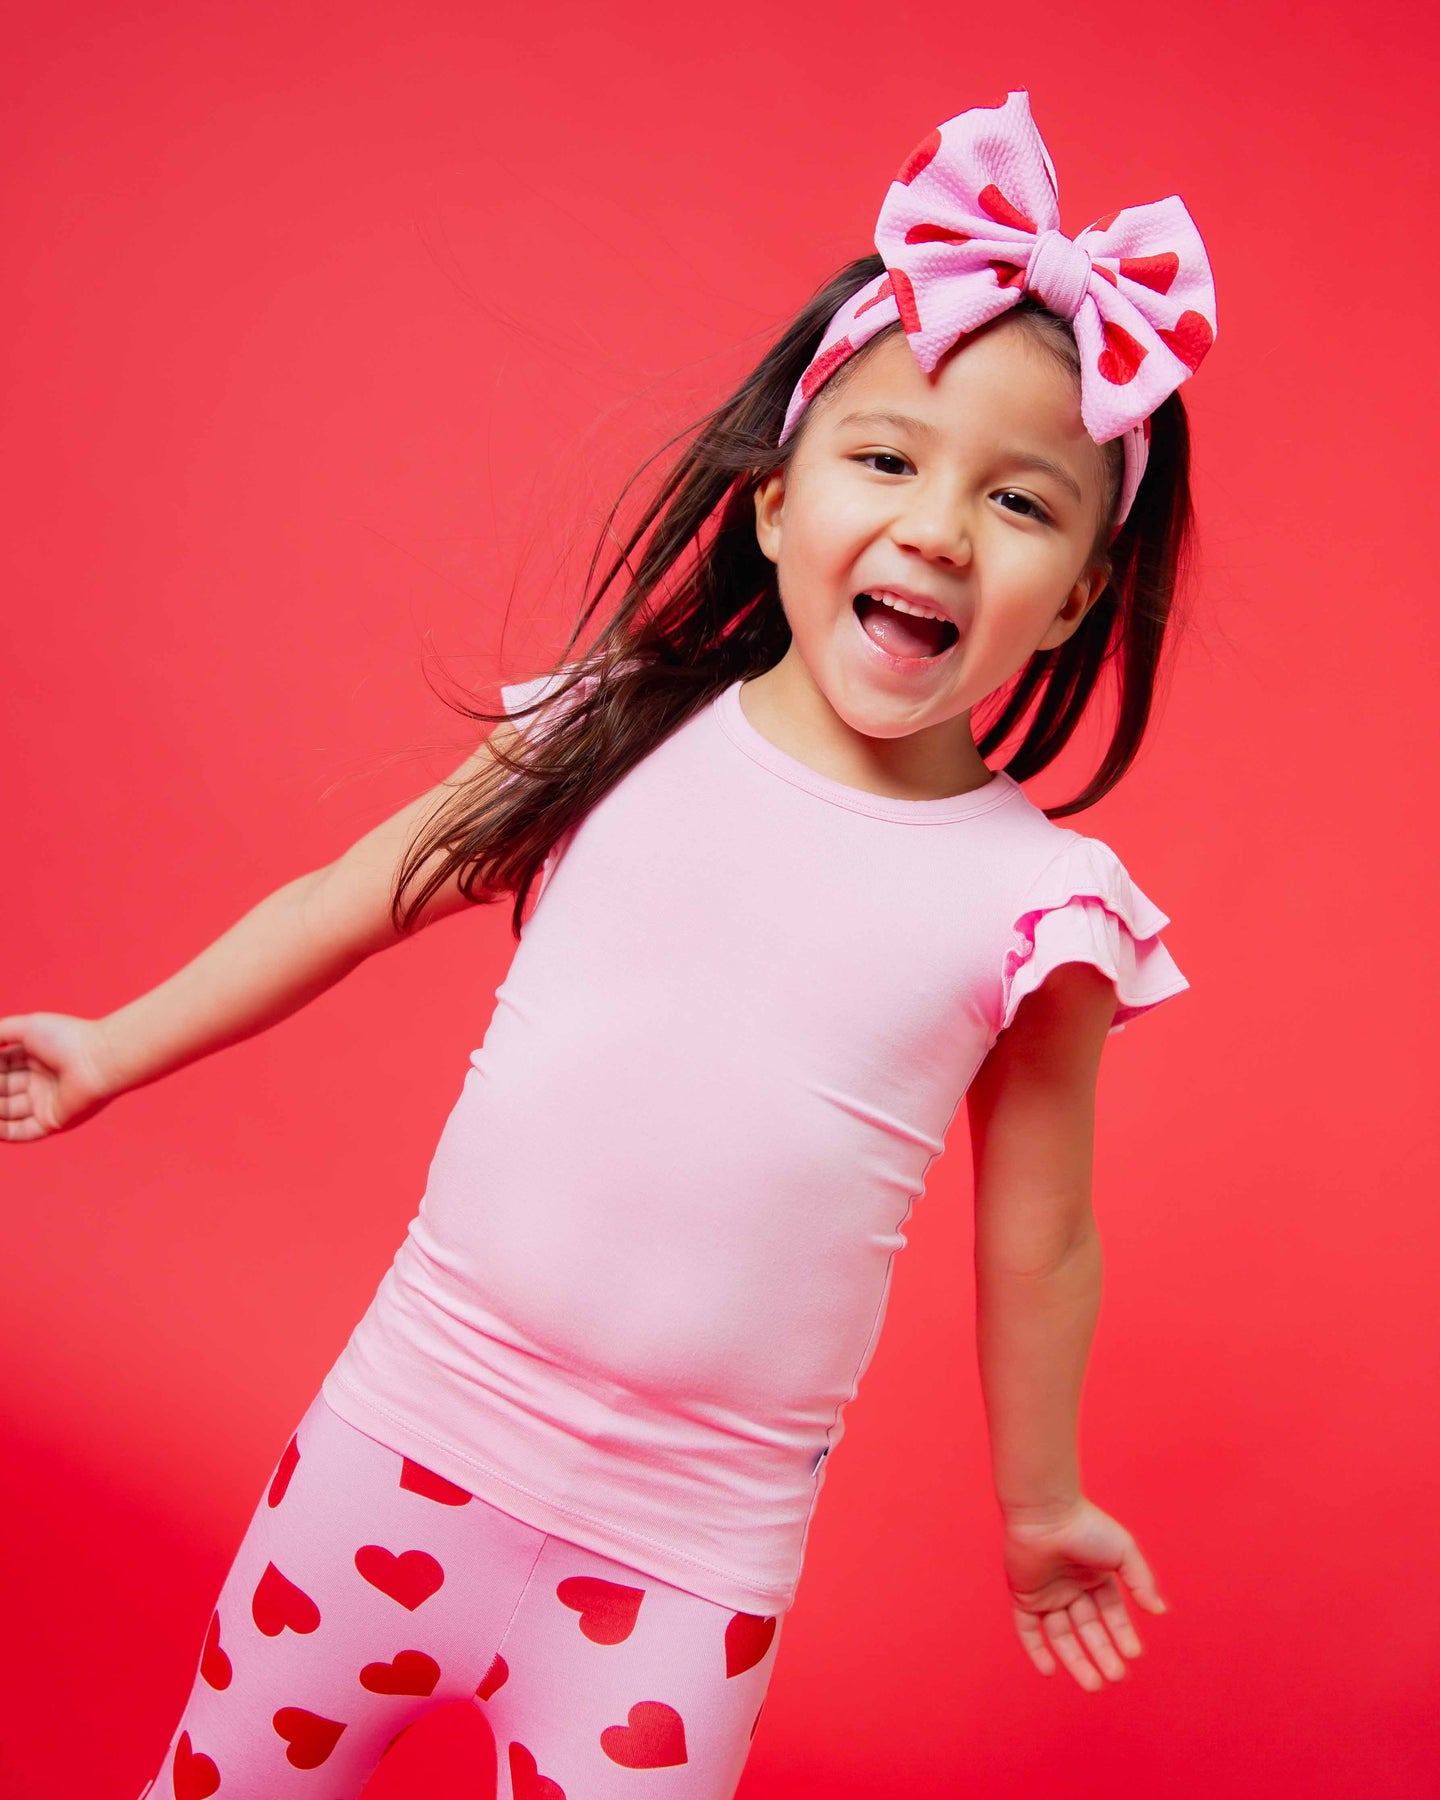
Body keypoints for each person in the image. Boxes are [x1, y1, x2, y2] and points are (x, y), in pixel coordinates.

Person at [2, 88, 1215, 1800]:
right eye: (886, 460)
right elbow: (351, 896)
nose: (940, 527)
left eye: (1021, 504)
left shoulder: (1038, 911)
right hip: (390, 1459)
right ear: (776, 501)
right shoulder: (615, 728)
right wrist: (112, 1048)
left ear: (1081, 592)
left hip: (682, 1575)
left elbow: (1043, 1243)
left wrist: (1041, 1508)